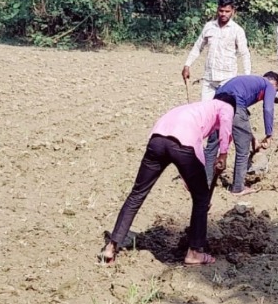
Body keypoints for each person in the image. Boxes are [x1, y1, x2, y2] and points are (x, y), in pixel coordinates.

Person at [98, 99, 234, 266]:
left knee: (137, 193)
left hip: (157, 141)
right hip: (183, 144)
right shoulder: (225, 106)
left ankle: (111, 246)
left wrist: (191, 182)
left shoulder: (194, 108)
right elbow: (199, 145)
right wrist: (223, 154)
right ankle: (195, 253)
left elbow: (182, 153)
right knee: (201, 198)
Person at [205, 72, 278, 196]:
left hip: (216, 104)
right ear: (275, 84)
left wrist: (253, 140)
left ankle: (204, 183)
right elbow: (268, 109)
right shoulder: (269, 85)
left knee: (211, 147)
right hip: (234, 105)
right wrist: (269, 134)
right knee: (242, 151)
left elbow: (242, 123)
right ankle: (238, 187)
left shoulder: (249, 81)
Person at [182, 0, 251, 101]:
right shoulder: (209, 26)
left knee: (224, 112)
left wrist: (247, 77)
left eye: (227, 11)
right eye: (221, 11)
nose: (223, 14)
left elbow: (244, 54)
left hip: (227, 78)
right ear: (217, 10)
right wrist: (187, 65)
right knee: (205, 110)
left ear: (233, 11)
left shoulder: (237, 30)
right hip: (209, 77)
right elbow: (197, 47)